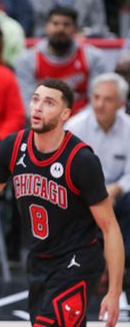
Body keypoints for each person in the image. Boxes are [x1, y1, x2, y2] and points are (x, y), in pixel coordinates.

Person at [0, 78, 124, 327]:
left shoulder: (81, 160)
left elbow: (110, 228)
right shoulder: (14, 147)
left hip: (76, 263)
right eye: (36, 99)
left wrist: (114, 292)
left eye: (49, 103)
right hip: (38, 260)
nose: (38, 107)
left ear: (65, 114)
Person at [65, 73, 130, 267]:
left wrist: (115, 189)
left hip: (117, 194)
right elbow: (66, 171)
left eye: (108, 100)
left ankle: (122, 265)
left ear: (121, 104)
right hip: (83, 193)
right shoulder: (74, 127)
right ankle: (78, 262)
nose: (100, 104)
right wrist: (95, 193)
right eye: (96, 97)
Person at [15, 6, 108, 117]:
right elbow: (27, 103)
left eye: (66, 25)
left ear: (75, 29)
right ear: (46, 27)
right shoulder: (28, 60)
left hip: (83, 125)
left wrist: (79, 125)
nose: (60, 29)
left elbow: (98, 100)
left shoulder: (93, 57)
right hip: (44, 124)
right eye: (55, 24)